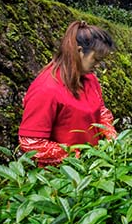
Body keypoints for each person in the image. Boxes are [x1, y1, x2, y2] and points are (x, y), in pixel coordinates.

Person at [19, 21, 116, 166]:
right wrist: (77, 157)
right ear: (79, 51)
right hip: (62, 177)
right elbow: (31, 142)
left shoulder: (90, 79)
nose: (98, 66)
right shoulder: (46, 89)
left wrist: (111, 137)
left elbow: (100, 111)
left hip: (92, 167)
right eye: (95, 60)